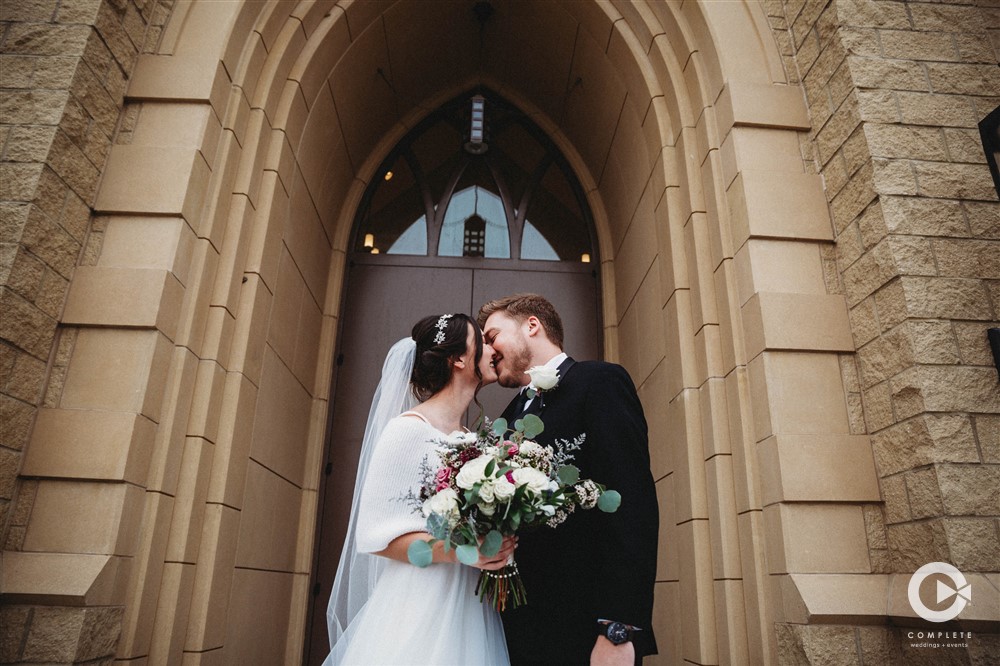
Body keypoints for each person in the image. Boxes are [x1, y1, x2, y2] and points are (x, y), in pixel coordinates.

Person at [478, 294, 659, 666]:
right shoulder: (509, 414)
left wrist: (617, 627)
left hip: (585, 627)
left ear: (532, 325)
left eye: (492, 335)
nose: (488, 350)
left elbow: (633, 505)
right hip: (521, 628)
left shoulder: (599, 382)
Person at [324, 313, 515, 665]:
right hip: (418, 605)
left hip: (470, 608)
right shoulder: (407, 431)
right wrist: (464, 552)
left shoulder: (471, 440)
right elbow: (376, 538)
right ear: (459, 359)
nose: (492, 349)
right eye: (482, 342)